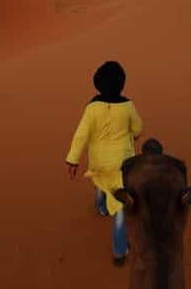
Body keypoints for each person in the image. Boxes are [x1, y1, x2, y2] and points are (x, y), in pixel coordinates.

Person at [65, 60, 143, 266]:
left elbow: (81, 134)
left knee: (100, 179)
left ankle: (100, 206)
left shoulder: (92, 108)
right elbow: (138, 128)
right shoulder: (128, 106)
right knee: (119, 207)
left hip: (99, 161)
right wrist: (132, 136)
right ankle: (119, 250)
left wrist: (72, 160)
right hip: (121, 164)